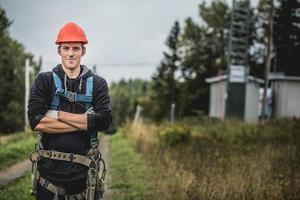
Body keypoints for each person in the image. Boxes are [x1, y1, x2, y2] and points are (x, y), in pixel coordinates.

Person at [28, 22, 112, 200]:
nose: (71, 53)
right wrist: (87, 122)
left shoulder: (98, 84)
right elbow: (36, 122)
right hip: (48, 180)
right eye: (66, 48)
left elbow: (104, 120)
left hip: (84, 180)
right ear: (59, 51)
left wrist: (58, 115)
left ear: (83, 51)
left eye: (76, 48)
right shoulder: (44, 81)